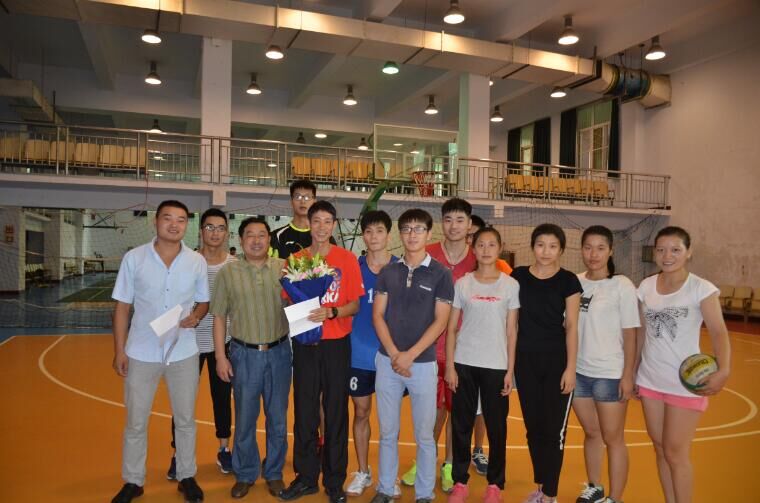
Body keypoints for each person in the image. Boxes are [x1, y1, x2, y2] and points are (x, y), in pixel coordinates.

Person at [110, 200, 209, 503]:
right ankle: (133, 481)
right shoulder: (134, 258)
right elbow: (122, 307)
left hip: (183, 351)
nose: (174, 224)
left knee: (185, 419)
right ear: (156, 221)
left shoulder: (196, 261)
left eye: (181, 220)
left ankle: (186, 476)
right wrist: (119, 351)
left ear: (186, 225)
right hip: (141, 351)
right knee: (136, 421)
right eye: (168, 218)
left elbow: (203, 302)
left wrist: (196, 316)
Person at [635, 226, 730, 503]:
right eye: (661, 250)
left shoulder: (701, 288)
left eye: (676, 250)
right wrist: (633, 372)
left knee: (676, 453)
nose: (667, 256)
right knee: (660, 448)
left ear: (689, 252)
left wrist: (724, 370)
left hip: (684, 384)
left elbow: (718, 331)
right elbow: (641, 332)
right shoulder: (646, 286)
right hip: (650, 379)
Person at [279, 201, 364, 503]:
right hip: (306, 344)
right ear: (309, 223)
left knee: (336, 410)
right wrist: (301, 314)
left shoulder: (347, 259)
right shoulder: (296, 260)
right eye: (316, 221)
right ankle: (305, 477)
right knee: (304, 410)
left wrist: (331, 312)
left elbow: (355, 305)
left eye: (328, 221)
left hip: (336, 344)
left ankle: (334, 480)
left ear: (334, 225)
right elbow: (287, 299)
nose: (322, 227)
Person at [371, 208, 454, 503]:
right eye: (406, 229)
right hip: (388, 361)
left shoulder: (442, 274)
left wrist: (411, 355)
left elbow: (441, 321)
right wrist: (396, 354)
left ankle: (424, 494)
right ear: (400, 234)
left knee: (425, 435)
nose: (412, 234)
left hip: (422, 365)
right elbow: (378, 315)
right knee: (388, 432)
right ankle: (385, 488)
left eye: (419, 229)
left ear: (429, 234)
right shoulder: (388, 272)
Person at [211, 216, 292, 499]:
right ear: (241, 239)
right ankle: (245, 473)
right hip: (243, 355)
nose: (256, 240)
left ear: (269, 239)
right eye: (250, 235)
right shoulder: (228, 273)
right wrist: (220, 357)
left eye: (261, 235)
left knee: (277, 418)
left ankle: (274, 472)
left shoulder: (285, 268)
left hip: (280, 353)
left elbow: (300, 303)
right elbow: (218, 315)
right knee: (245, 418)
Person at [445, 227, 519, 503]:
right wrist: (450, 366)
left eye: (491, 245)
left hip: (496, 365)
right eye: (481, 245)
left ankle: (495, 485)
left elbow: (512, 331)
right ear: (473, 248)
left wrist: (510, 370)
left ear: (499, 248)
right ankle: (460, 482)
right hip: (464, 362)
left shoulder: (510, 285)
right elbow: (452, 328)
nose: (486, 250)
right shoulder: (463, 284)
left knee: (497, 428)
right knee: (461, 425)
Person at [511, 223, 582, 503]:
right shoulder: (518, 277)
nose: (546, 251)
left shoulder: (568, 281)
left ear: (561, 249)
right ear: (532, 246)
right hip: (525, 362)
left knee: (554, 431)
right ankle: (541, 486)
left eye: (553, 246)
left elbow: (572, 326)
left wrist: (570, 368)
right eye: (540, 245)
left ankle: (550, 494)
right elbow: (512, 322)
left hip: (556, 363)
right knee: (534, 429)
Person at [167, 209, 236, 481]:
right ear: (200, 231)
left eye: (220, 228)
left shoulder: (234, 265)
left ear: (227, 233)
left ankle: (224, 449)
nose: (215, 233)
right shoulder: (186, 262)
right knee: (182, 402)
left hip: (224, 343)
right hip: (187, 343)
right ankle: (179, 455)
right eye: (209, 227)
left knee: (223, 399)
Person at [573, 226, 640, 503]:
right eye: (588, 247)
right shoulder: (575, 282)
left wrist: (628, 375)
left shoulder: (622, 285)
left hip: (609, 374)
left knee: (613, 438)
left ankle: (615, 497)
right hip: (578, 373)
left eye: (600, 248)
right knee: (591, 433)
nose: (594, 254)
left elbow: (631, 333)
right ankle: (595, 486)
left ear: (611, 251)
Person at [345, 211, 401, 498]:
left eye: (379, 230)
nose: (374, 236)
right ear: (363, 236)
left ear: (388, 235)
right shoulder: (353, 268)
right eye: (368, 231)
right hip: (359, 353)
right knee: (361, 412)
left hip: (391, 354)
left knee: (391, 420)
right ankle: (363, 471)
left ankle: (389, 475)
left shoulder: (402, 268)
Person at [270, 179, 335, 260]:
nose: (303, 201)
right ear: (291, 201)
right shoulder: (277, 236)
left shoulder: (325, 237)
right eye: (298, 197)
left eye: (307, 197)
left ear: (314, 201)